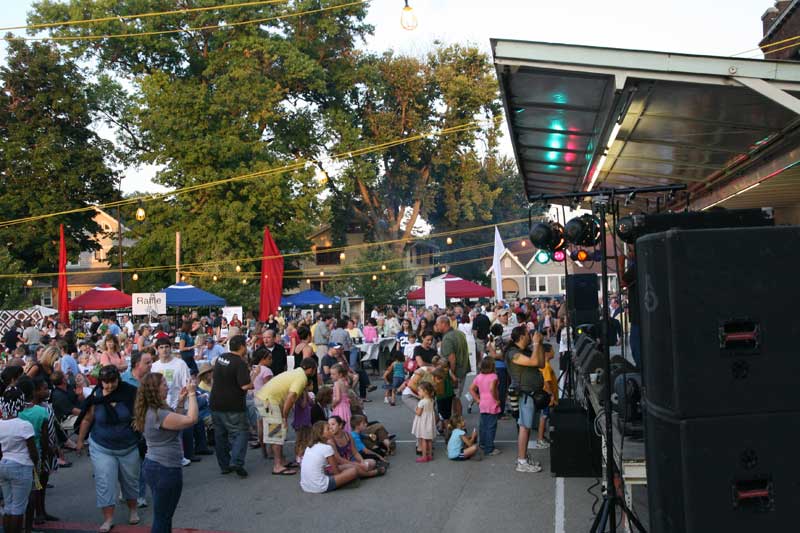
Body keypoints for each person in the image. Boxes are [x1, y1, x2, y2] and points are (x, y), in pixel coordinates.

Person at [75, 365, 141, 532]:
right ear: (100, 382)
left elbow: (142, 411)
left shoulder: (130, 392)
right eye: (106, 383)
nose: (110, 386)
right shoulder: (96, 396)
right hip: (101, 445)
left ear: (118, 380)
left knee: (131, 480)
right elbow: (87, 419)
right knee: (105, 482)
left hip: (128, 445)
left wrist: (138, 421)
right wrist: (80, 440)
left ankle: (133, 510)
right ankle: (108, 518)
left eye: (113, 382)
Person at [133, 372, 198, 533]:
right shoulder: (158, 414)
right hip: (165, 468)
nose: (167, 386)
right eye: (163, 384)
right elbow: (191, 420)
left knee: (163, 515)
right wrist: (191, 394)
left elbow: (176, 421)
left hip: (155, 466)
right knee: (163, 518)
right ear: (155, 390)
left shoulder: (153, 410)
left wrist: (181, 403)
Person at [255, 358, 317, 475]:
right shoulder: (302, 378)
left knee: (278, 432)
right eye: (314, 370)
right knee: (277, 433)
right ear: (311, 369)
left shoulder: (296, 372)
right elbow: (291, 397)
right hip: (269, 401)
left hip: (265, 398)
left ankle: (281, 461)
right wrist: (284, 417)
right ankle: (277, 465)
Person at [210, 335, 253, 478]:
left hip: (216, 402)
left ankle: (224, 465)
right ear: (241, 347)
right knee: (240, 432)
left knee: (220, 435)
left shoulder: (221, 358)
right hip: (233, 404)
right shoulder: (239, 363)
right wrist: (253, 377)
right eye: (245, 345)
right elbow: (245, 385)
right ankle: (236, 461)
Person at [506, 327, 546, 473]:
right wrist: (536, 344)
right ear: (522, 336)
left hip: (532, 393)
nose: (531, 336)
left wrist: (539, 345)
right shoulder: (513, 353)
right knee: (524, 426)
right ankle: (521, 461)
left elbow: (541, 363)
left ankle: (524, 457)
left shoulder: (526, 350)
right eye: (528, 334)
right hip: (524, 393)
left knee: (527, 426)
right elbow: (534, 362)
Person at [0, 386, 39, 533]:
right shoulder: (24, 426)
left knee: (8, 506)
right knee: (18, 508)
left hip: (3, 465)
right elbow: (33, 452)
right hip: (21, 466)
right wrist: (35, 464)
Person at [299, 421, 359, 494]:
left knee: (347, 467)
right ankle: (371, 473)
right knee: (353, 471)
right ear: (321, 434)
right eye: (328, 429)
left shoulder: (310, 446)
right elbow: (336, 472)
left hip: (305, 486)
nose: (331, 430)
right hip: (320, 486)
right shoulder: (327, 448)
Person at [436, 315, 470, 417]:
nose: (437, 326)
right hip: (463, 369)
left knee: (454, 398)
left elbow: (452, 359)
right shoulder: (459, 333)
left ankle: (458, 423)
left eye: (438, 324)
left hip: (455, 373)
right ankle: (457, 422)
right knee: (456, 397)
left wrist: (451, 375)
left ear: (443, 323)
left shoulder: (447, 338)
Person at [469, 357, 501, 456]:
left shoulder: (479, 376)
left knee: (483, 425)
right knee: (491, 426)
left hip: (482, 403)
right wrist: (496, 399)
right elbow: (492, 389)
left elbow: (471, 389)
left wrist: (477, 399)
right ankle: (489, 448)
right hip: (492, 403)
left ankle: (482, 444)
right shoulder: (494, 376)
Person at [535, 343, 558, 449]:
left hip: (546, 396)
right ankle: (540, 439)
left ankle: (542, 437)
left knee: (545, 416)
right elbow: (546, 382)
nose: (554, 352)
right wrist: (551, 395)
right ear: (547, 353)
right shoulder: (546, 366)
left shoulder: (545, 364)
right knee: (544, 417)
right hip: (547, 397)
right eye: (552, 350)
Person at [412, 381, 437, 463]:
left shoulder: (422, 402)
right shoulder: (431, 400)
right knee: (429, 439)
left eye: (419, 391)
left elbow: (419, 413)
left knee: (423, 439)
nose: (418, 392)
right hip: (429, 422)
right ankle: (429, 455)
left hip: (423, 422)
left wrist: (415, 409)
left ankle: (424, 456)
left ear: (425, 391)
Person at [330, 363, 352, 432]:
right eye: (331, 374)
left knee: (339, 425)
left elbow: (338, 398)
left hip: (339, 407)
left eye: (333, 374)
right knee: (347, 423)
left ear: (340, 374)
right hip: (346, 407)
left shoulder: (337, 383)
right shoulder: (345, 382)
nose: (331, 376)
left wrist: (332, 404)